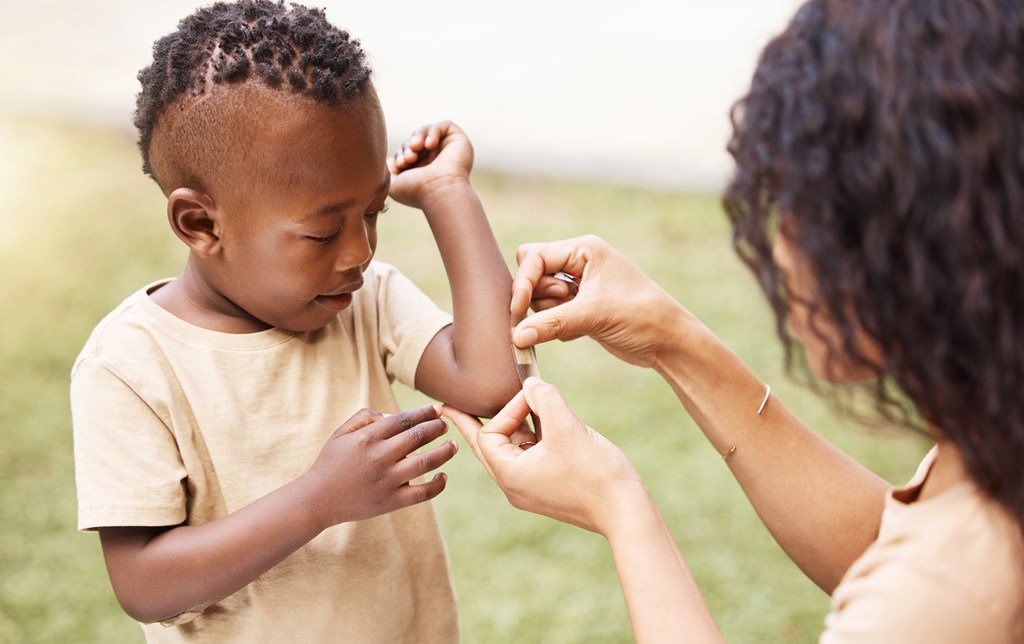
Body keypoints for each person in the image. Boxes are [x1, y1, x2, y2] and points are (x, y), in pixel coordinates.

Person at [445, 0, 1024, 641]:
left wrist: (617, 501)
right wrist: (670, 337)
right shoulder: (992, 459)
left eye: (799, 211)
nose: (780, 249)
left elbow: (919, 592)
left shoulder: (943, 598)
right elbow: (887, 546)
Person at [70, 1, 520, 642]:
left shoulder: (366, 302)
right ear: (201, 225)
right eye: (322, 232)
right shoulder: (132, 365)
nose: (360, 252)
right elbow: (144, 584)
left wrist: (449, 195)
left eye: (374, 212)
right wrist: (317, 501)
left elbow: (490, 383)